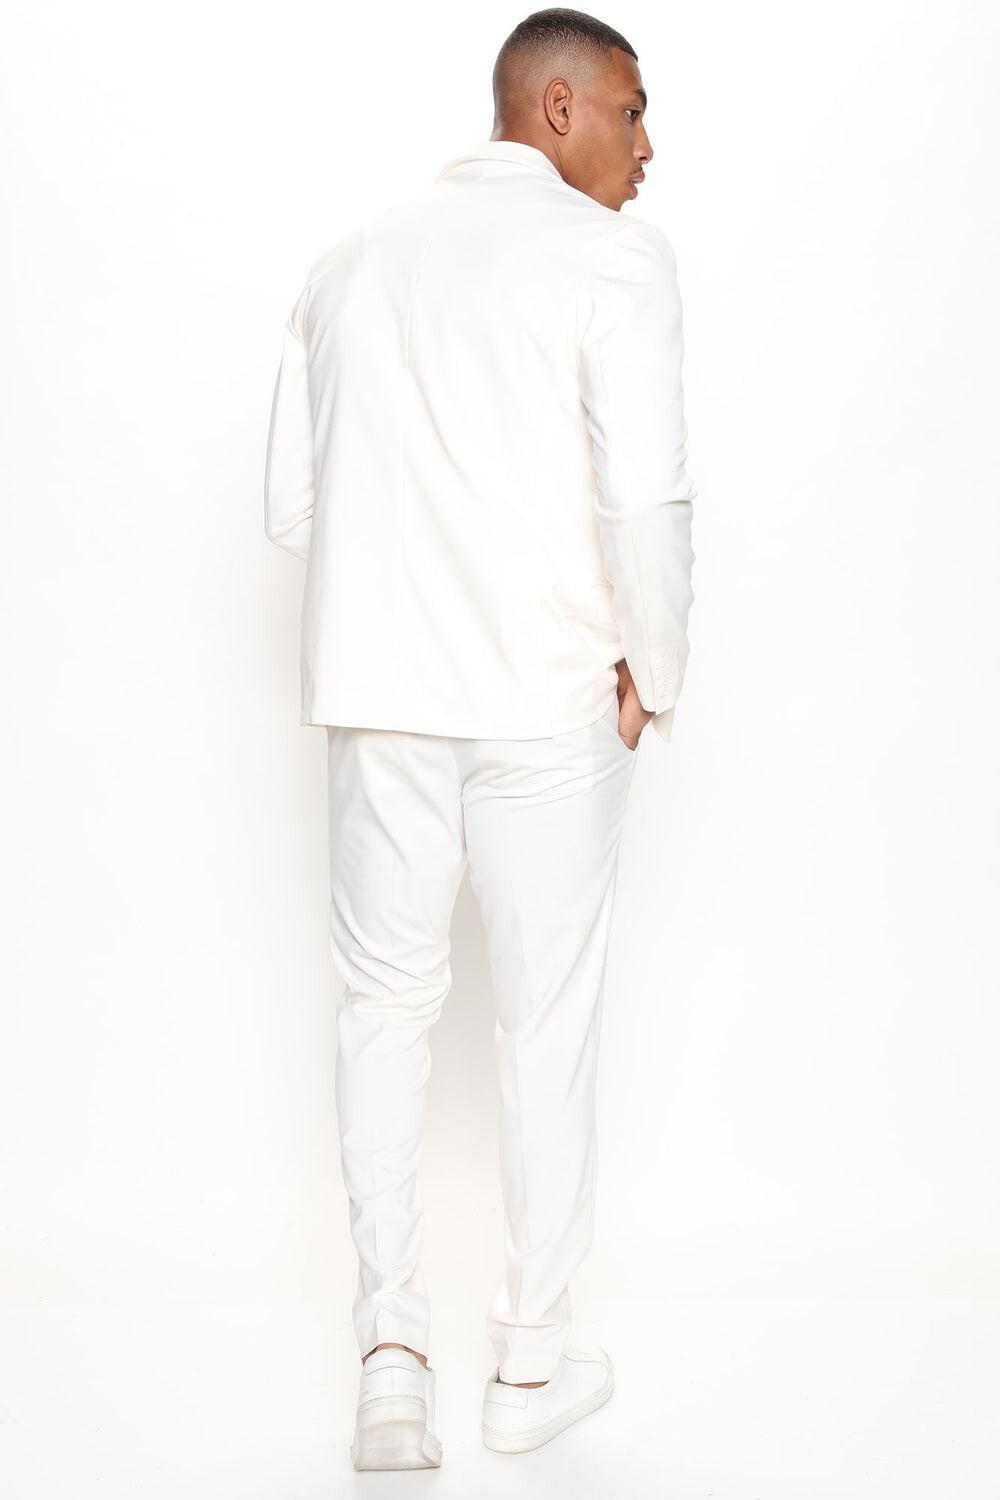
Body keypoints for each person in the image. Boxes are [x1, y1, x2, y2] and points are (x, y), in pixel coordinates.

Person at [264, 6, 696, 1470]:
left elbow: (292, 508)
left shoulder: (347, 261)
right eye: (631, 111)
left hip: (380, 696)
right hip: (548, 697)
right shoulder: (617, 258)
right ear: (557, 107)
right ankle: (528, 1366)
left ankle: (391, 1368)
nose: (648, 146)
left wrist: (402, 597)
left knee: (382, 1010)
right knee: (545, 1022)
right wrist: (657, 667)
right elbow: (646, 495)